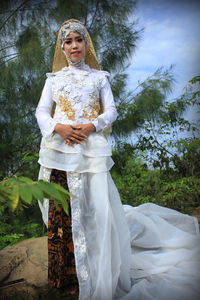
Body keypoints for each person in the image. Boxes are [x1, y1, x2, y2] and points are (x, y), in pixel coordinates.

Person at [35, 19, 200, 300]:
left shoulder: (100, 78)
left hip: (90, 153)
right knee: (61, 215)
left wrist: (91, 125)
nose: (74, 46)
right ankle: (64, 277)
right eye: (68, 41)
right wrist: (58, 127)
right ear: (62, 48)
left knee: (94, 211)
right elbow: (41, 112)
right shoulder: (54, 80)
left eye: (79, 40)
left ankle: (95, 273)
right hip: (59, 151)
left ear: (87, 45)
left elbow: (111, 111)